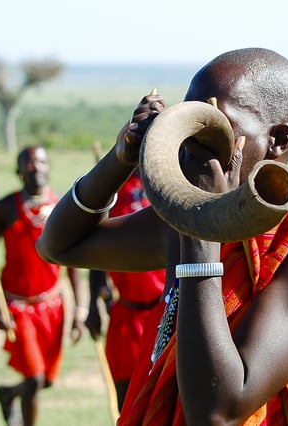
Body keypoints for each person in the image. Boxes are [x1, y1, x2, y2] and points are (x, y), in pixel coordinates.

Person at [37, 48, 288, 425]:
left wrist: (201, 226)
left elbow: (217, 410)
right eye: (189, 121)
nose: (191, 142)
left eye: (214, 124)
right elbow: (59, 245)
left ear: (278, 140)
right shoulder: (184, 224)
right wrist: (120, 157)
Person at [0, 145, 85, 426]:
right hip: (18, 306)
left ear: (49, 167)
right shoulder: (5, 208)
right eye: (28, 163)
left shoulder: (63, 206)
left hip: (53, 306)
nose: (35, 168)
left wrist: (80, 310)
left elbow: (73, 260)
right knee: (34, 377)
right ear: (18, 171)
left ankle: (7, 394)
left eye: (41, 162)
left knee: (46, 381)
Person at [84, 170, 166, 410]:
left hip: (166, 314)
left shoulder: (170, 182)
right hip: (126, 316)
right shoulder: (110, 193)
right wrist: (93, 305)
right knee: (126, 403)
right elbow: (97, 252)